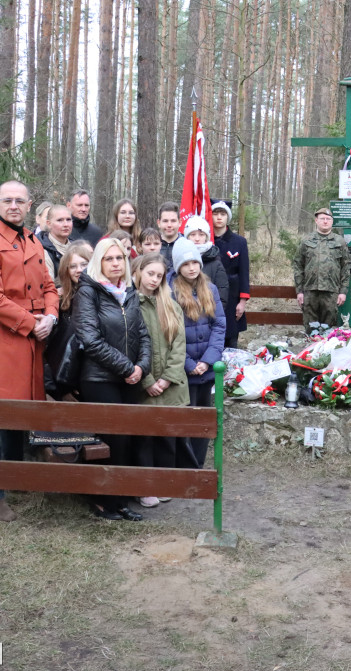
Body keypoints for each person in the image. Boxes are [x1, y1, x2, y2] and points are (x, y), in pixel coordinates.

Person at [0, 180, 59, 522]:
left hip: (34, 336)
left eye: (19, 201)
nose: (13, 206)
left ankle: (15, 473)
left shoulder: (33, 239)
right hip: (4, 337)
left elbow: (50, 286)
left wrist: (51, 316)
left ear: (29, 205)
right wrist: (30, 322)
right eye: (7, 200)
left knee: (21, 408)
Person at [74, 238, 151, 520]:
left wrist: (141, 366)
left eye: (120, 258)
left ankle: (120, 499)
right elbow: (91, 340)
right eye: (109, 259)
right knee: (109, 440)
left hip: (129, 378)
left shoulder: (127, 291)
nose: (116, 263)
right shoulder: (88, 291)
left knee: (127, 439)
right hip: (99, 379)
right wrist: (127, 368)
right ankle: (103, 500)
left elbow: (142, 333)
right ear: (99, 262)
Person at [133, 253, 189, 506]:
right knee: (144, 437)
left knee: (167, 436)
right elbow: (129, 346)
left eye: (159, 275)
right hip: (143, 383)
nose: (154, 280)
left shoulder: (171, 304)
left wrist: (167, 378)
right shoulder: (130, 304)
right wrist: (147, 381)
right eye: (150, 274)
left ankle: (165, 482)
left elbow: (179, 345)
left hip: (170, 386)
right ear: (138, 272)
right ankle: (145, 487)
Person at [171, 238, 226, 468]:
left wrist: (207, 361)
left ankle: (198, 466)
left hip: (206, 367)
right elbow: (169, 333)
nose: (192, 267)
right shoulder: (170, 291)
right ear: (178, 267)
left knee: (204, 418)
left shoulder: (209, 288)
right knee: (186, 419)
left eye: (195, 262)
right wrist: (189, 363)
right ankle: (184, 465)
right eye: (186, 264)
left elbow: (219, 325)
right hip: (185, 368)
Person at [44, 242, 92, 398]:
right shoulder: (58, 301)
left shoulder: (101, 297)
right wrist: (60, 390)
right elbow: (49, 348)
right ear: (66, 270)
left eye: (84, 264)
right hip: (62, 381)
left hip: (92, 378)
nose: (79, 270)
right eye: (73, 266)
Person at [292, 207, 349, 332]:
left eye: (328, 219)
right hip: (309, 291)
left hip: (331, 291)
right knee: (310, 329)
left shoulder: (339, 241)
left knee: (328, 331)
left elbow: (345, 267)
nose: (325, 221)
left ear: (332, 222)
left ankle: (325, 351)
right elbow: (298, 265)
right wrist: (299, 291)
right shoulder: (306, 240)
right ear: (316, 221)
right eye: (322, 218)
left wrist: (343, 291)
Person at [211, 199, 251, 348]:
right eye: (215, 214)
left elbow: (244, 272)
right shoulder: (205, 240)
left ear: (228, 217)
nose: (219, 217)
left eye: (223, 214)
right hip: (210, 293)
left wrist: (242, 301)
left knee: (231, 339)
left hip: (232, 296)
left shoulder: (239, 242)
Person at [182, 215, 229, 307]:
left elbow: (222, 295)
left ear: (206, 237)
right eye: (193, 234)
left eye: (201, 234)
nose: (197, 238)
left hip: (208, 315)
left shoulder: (215, 263)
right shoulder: (180, 260)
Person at [39, 204, 73, 286]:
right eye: (60, 220)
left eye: (68, 220)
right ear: (49, 224)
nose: (66, 224)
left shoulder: (77, 247)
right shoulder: (42, 250)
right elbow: (48, 287)